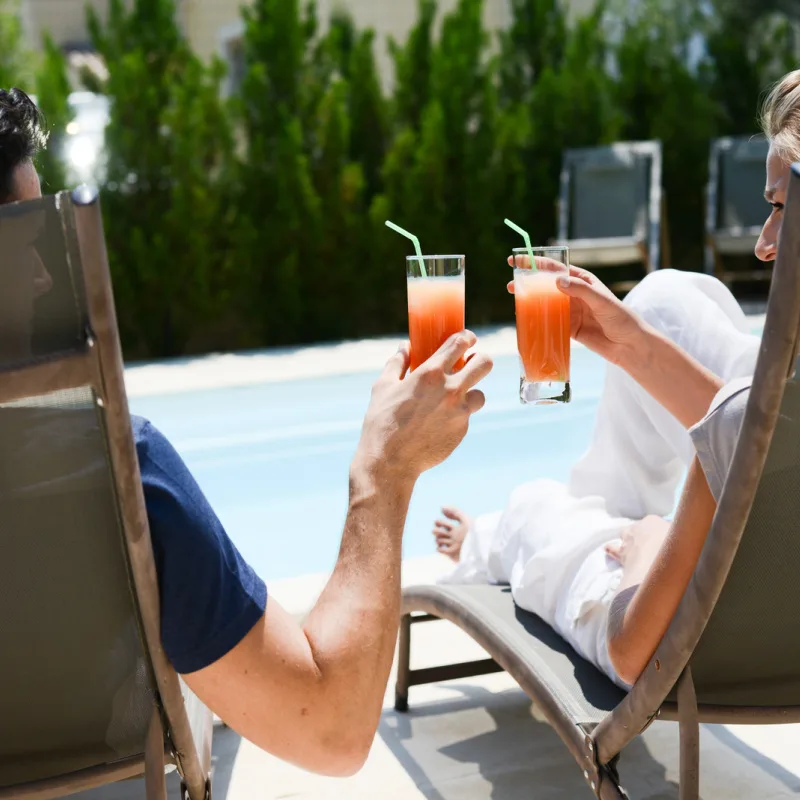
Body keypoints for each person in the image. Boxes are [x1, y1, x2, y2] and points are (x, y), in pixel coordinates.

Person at [0, 87, 494, 775]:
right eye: (25, 239)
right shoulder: (114, 471)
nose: (46, 270)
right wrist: (383, 473)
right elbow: (332, 728)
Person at [434, 70, 800, 689]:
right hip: (748, 556)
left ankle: (489, 539)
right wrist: (630, 343)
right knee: (667, 296)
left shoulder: (753, 412)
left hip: (676, 605)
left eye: (778, 207)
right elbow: (753, 432)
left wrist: (646, 546)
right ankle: (606, 510)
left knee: (535, 509)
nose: (764, 245)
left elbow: (634, 654)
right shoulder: (766, 406)